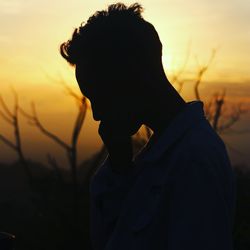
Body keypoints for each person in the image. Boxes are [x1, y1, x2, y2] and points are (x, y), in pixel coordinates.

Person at [60, 3, 236, 250]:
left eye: (100, 96)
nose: (97, 114)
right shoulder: (158, 157)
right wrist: (119, 169)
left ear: (133, 76)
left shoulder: (193, 159)